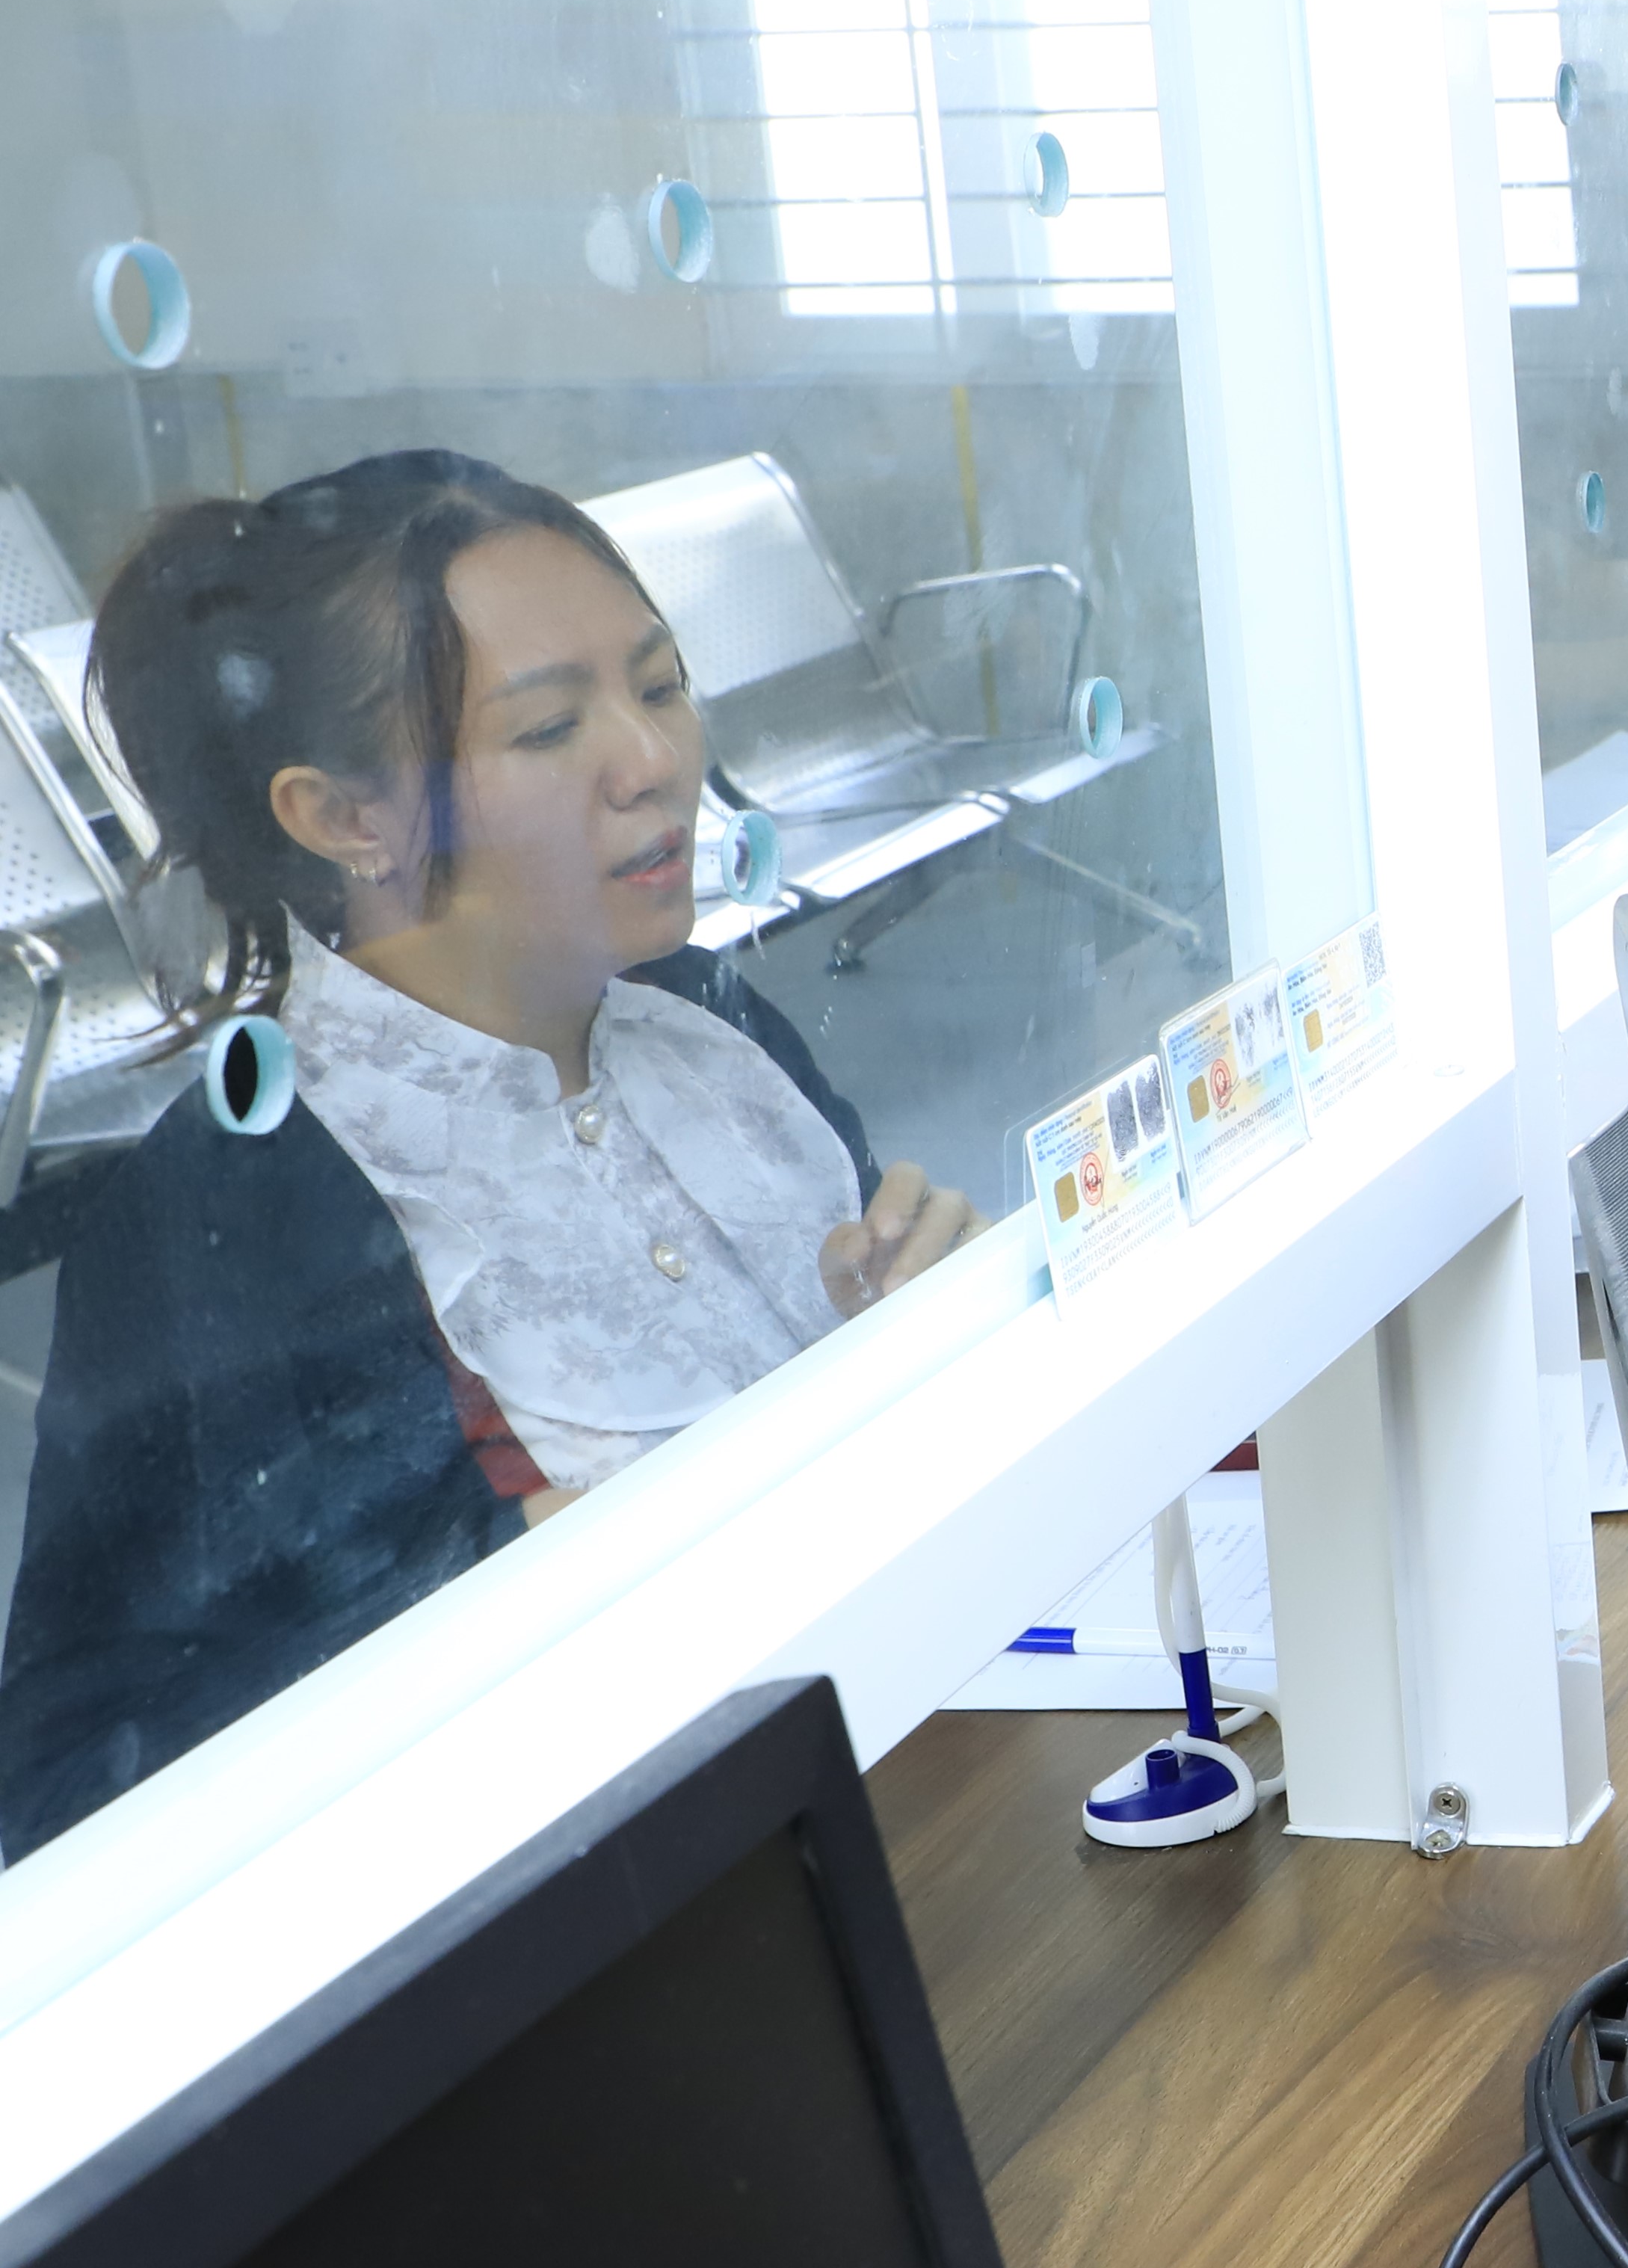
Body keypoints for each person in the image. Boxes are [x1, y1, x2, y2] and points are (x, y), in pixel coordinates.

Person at [0, 453, 980, 1853]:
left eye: (660, 684)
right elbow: (71, 1788)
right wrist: (482, 1587)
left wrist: (919, 1327)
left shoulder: (705, 1025)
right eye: (549, 728)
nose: (654, 762)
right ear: (348, 819)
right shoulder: (246, 1205)